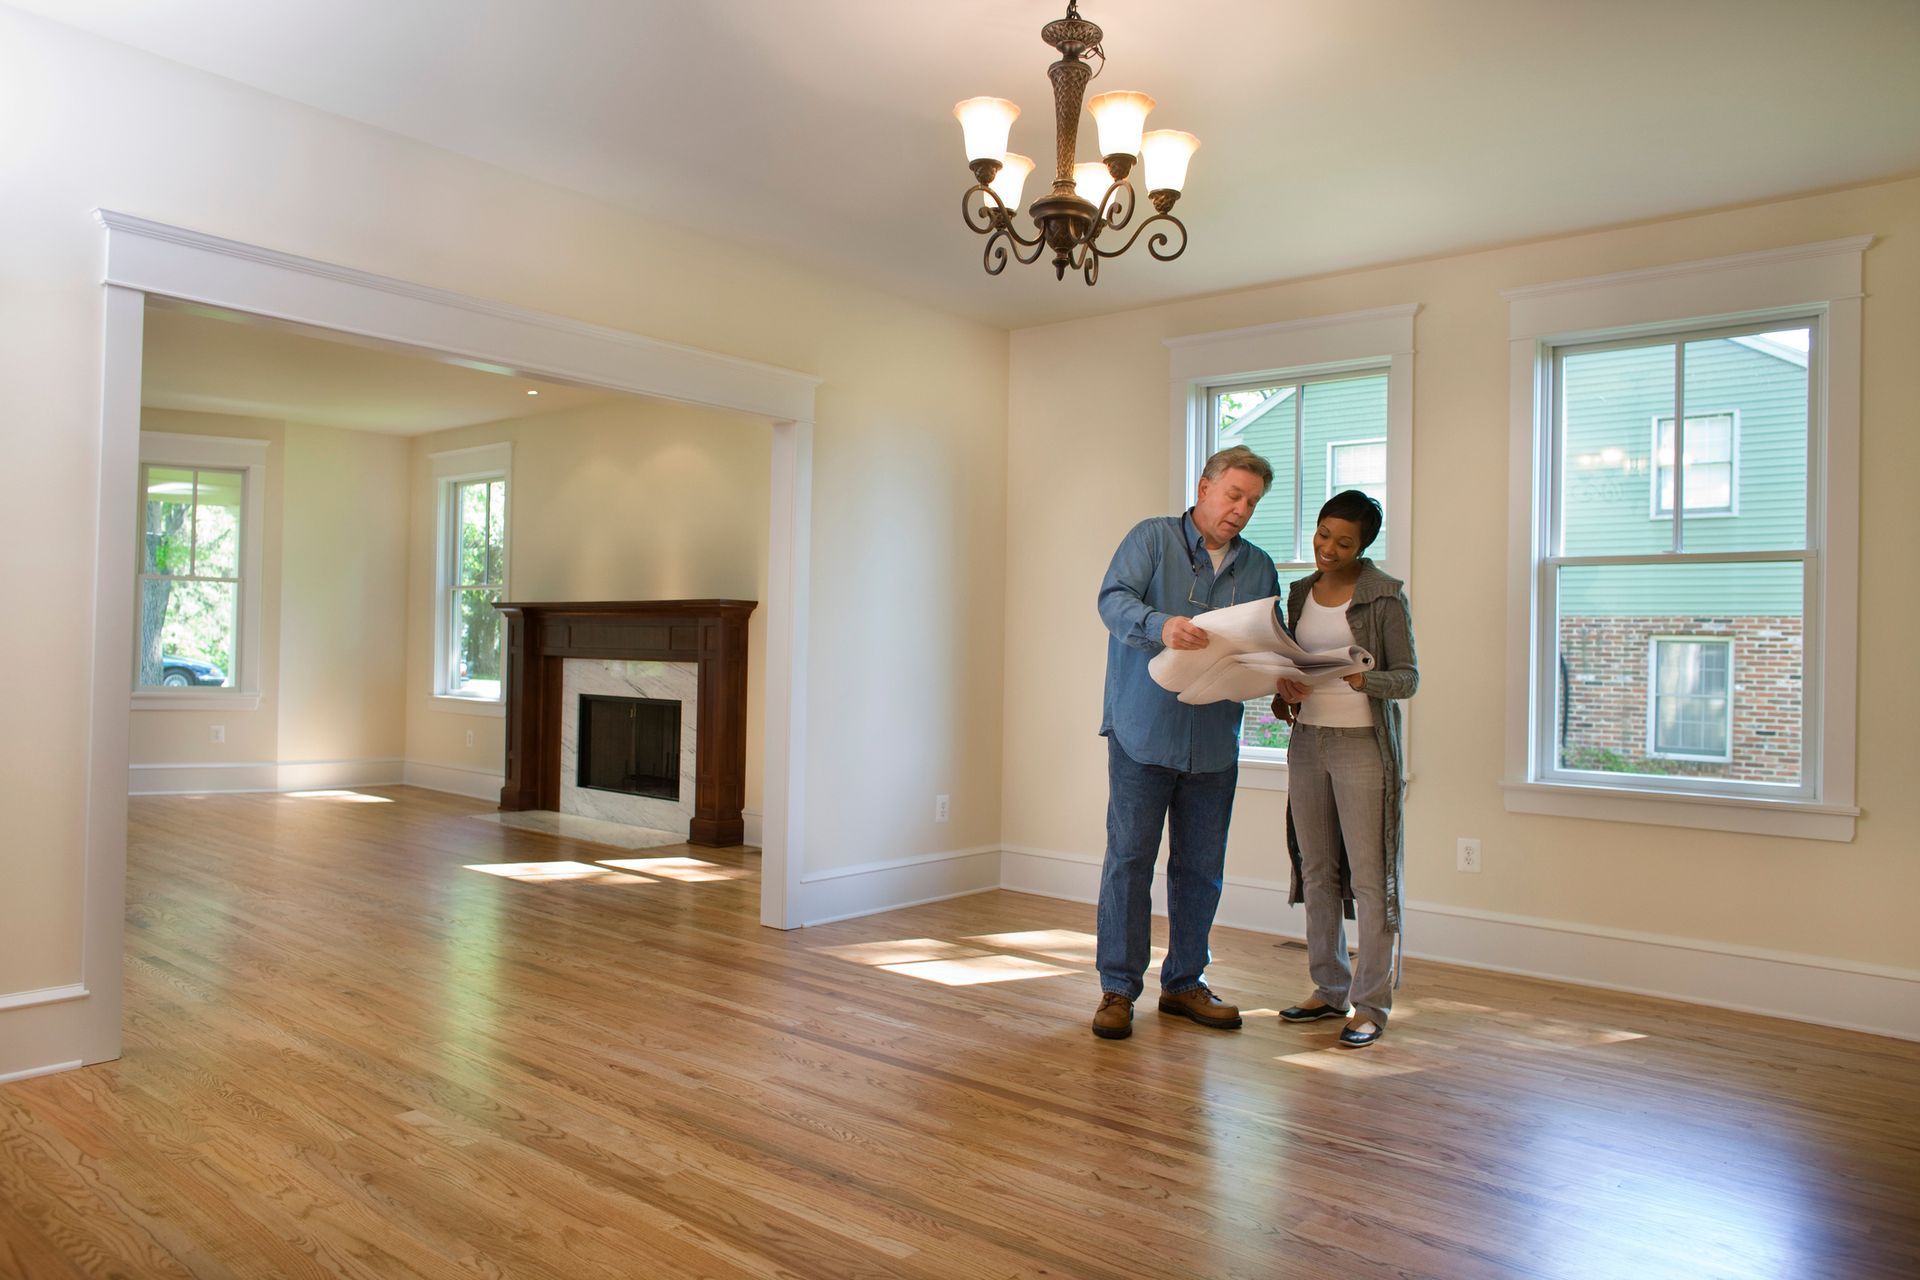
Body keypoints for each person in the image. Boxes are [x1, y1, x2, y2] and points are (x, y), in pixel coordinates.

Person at [1091, 446, 1280, 1040]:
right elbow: (1113, 600)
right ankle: (1117, 989)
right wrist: (1161, 625)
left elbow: (1267, 642)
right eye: (1233, 495)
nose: (1241, 510)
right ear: (1204, 486)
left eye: (1252, 502)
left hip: (1214, 744)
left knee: (1201, 869)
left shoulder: (1259, 567)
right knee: (1129, 862)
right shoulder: (1151, 539)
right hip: (1143, 735)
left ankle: (1184, 984)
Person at [1271, 490, 1419, 1048]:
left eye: (1343, 541)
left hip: (1362, 746)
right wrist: (1284, 692)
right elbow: (1291, 665)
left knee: (1369, 876)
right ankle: (1328, 989)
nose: (1327, 548)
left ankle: (1371, 1004)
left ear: (1364, 546)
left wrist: (1366, 680)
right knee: (1316, 870)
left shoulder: (1385, 596)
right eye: (1322, 533)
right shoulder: (1300, 592)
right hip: (1308, 741)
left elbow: (1408, 677)